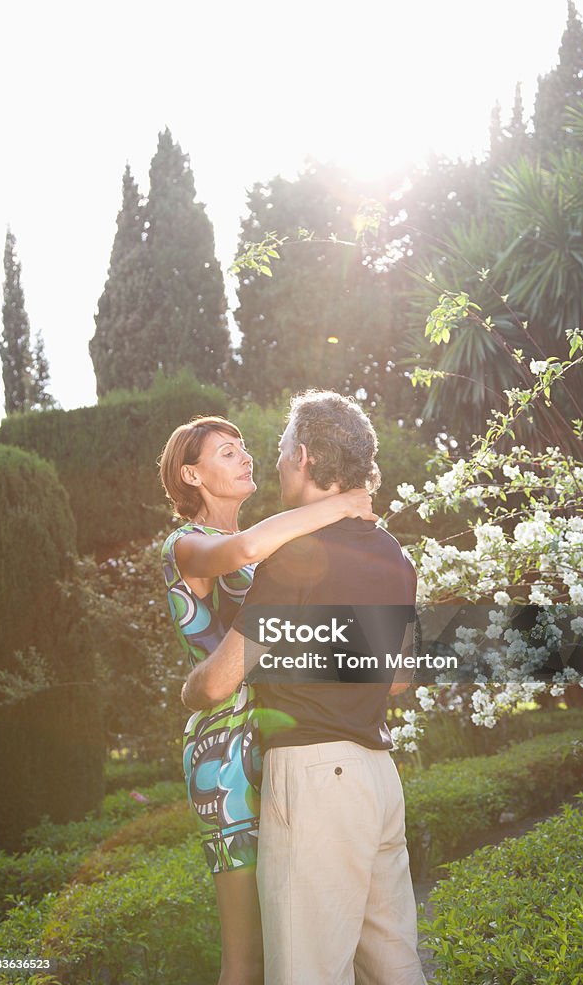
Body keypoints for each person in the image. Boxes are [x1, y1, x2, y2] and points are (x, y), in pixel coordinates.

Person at [182, 393, 427, 985]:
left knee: (305, 972)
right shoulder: (392, 550)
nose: (276, 463)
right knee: (395, 969)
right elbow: (399, 679)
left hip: (317, 780)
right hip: (378, 779)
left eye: (283, 450)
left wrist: (189, 690)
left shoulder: (295, 558)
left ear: (305, 456)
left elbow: (217, 682)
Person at [158, 414, 375, 985]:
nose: (245, 457)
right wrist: (342, 503)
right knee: (247, 952)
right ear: (191, 474)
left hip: (284, 735)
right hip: (223, 750)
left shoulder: (263, 550)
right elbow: (244, 547)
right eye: (227, 452)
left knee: (296, 928)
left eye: (245, 447)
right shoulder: (187, 546)